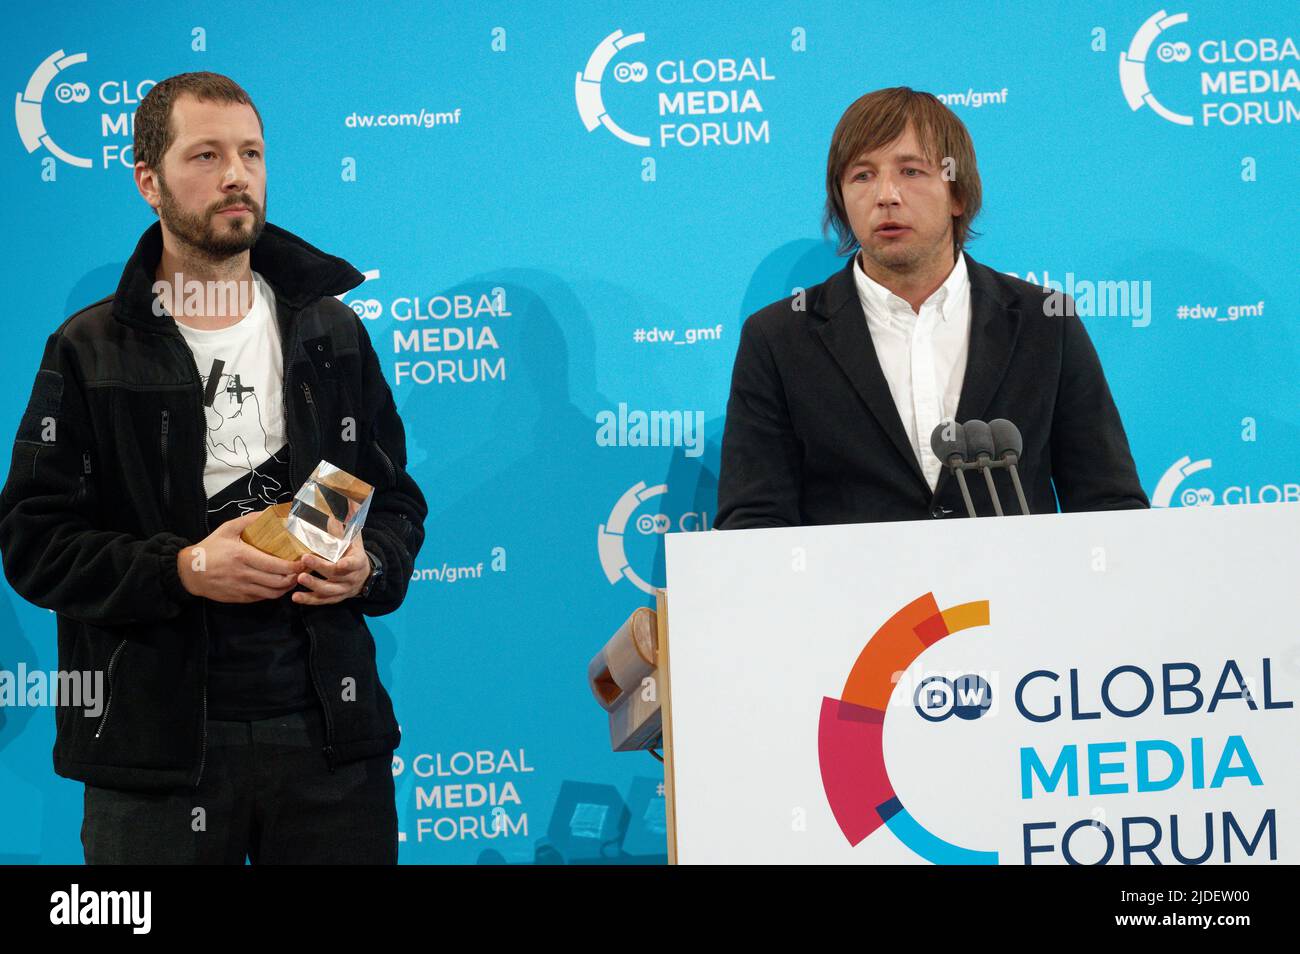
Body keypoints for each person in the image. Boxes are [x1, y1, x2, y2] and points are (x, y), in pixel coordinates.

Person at [0, 72, 427, 864]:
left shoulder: (330, 331)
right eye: (207, 155)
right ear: (149, 183)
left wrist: (368, 565)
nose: (237, 174)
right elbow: (34, 541)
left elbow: (394, 498)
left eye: (251, 153)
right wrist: (185, 569)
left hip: (330, 741)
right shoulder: (88, 351)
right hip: (156, 758)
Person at [715, 87, 1148, 529]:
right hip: (854, 597)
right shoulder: (778, 338)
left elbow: (1108, 505)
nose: (886, 195)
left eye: (911, 171)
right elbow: (753, 523)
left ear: (957, 194)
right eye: (862, 176)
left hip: (1012, 594)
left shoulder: (1045, 322)